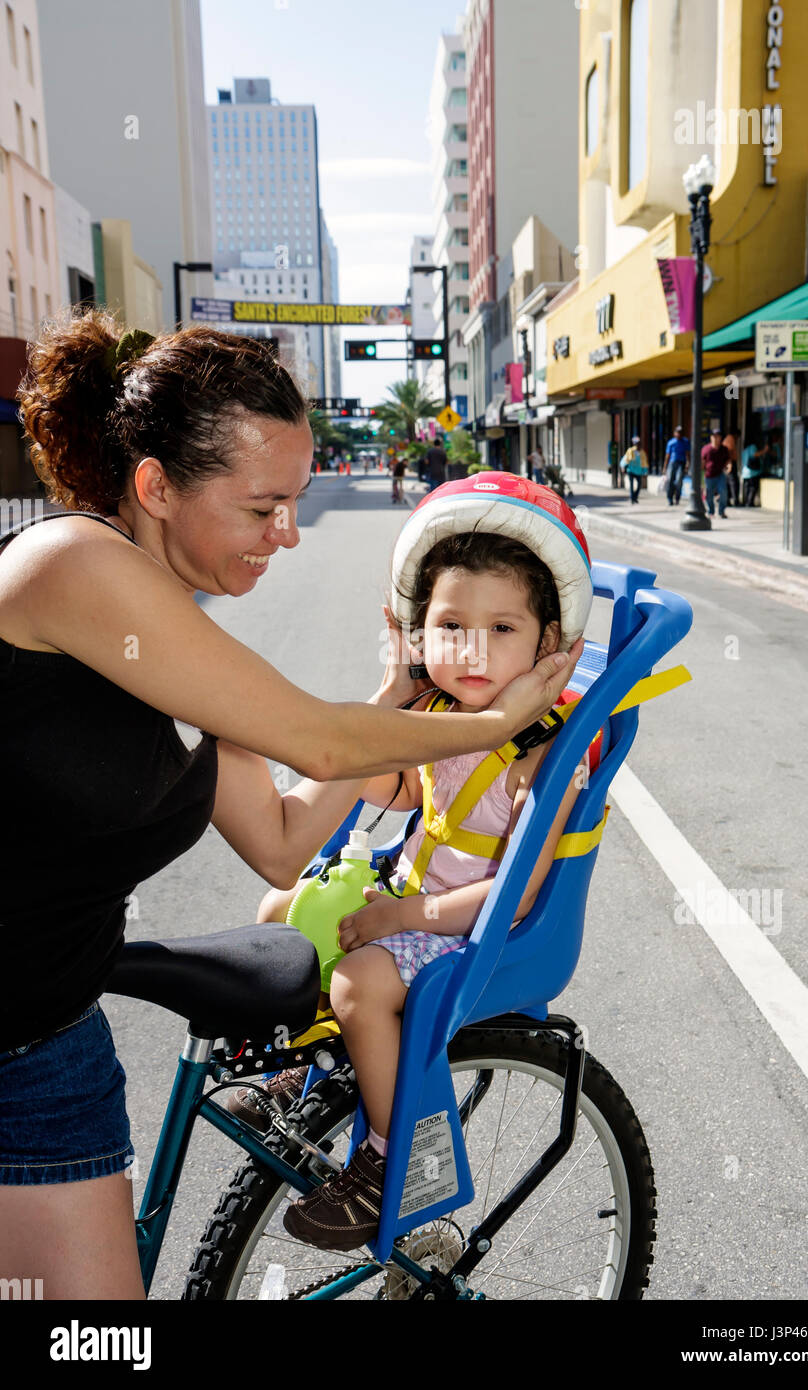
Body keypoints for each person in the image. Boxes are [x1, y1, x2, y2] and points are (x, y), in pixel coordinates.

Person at [0, 311, 581, 1300]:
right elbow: (316, 739)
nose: (288, 533)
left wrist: (398, 691)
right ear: (154, 487)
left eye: (296, 502)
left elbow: (283, 837)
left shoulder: (170, 632)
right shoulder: (71, 567)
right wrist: (494, 724)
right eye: (263, 505)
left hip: (45, 1026)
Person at [239, 481, 593, 1251]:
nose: (472, 648)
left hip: (476, 929)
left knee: (357, 980)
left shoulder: (542, 758)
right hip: (412, 898)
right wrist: (351, 750)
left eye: (502, 627)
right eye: (450, 625)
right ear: (418, 636)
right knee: (280, 914)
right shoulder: (438, 712)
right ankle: (303, 1078)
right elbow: (403, 787)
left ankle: (391, 1158)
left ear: (546, 644)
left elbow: (518, 887)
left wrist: (403, 917)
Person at [701, 428, 730, 517]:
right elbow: (702, 464)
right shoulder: (706, 449)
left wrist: (729, 466)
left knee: (723, 492)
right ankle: (711, 511)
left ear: (720, 438)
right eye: (714, 436)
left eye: (718, 436)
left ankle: (721, 511)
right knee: (709, 495)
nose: (716, 438)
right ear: (711, 438)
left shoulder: (724, 449)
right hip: (708, 475)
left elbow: (728, 460)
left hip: (720, 474)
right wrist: (702, 481)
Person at [663, 426, 691, 506]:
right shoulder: (671, 442)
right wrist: (664, 467)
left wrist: (688, 463)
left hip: (681, 463)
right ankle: (669, 498)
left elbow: (687, 454)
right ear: (674, 433)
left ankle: (677, 498)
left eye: (680, 432)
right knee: (670, 480)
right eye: (677, 432)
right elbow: (667, 456)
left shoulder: (685, 442)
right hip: (672, 463)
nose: (679, 434)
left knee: (679, 481)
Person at [621, 435, 649, 504]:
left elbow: (645, 463)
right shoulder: (630, 451)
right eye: (636, 443)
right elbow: (625, 460)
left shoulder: (642, 452)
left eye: (639, 443)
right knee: (631, 485)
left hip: (638, 472)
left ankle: (635, 497)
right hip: (631, 471)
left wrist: (645, 472)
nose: (638, 445)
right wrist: (623, 467)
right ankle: (632, 498)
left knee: (639, 485)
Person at [741, 438, 768, 507]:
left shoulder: (744, 449)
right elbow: (755, 454)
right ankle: (749, 502)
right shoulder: (752, 446)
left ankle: (747, 502)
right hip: (752, 472)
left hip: (745, 472)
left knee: (747, 488)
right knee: (753, 488)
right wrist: (764, 451)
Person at [723, 428, 740, 507]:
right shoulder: (730, 439)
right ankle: (735, 500)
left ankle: (727, 500)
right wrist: (729, 463)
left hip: (728, 462)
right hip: (730, 462)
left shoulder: (728, 439)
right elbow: (728, 451)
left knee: (729, 482)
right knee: (733, 482)